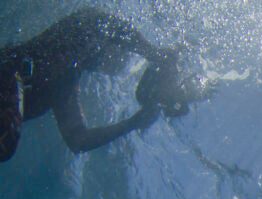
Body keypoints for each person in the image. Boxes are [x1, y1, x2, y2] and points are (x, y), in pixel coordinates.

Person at [1, 8, 202, 163]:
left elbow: (78, 140)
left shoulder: (64, 86)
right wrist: (151, 52)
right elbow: (96, 21)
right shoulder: (67, 48)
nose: (116, 65)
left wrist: (133, 123)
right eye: (117, 55)